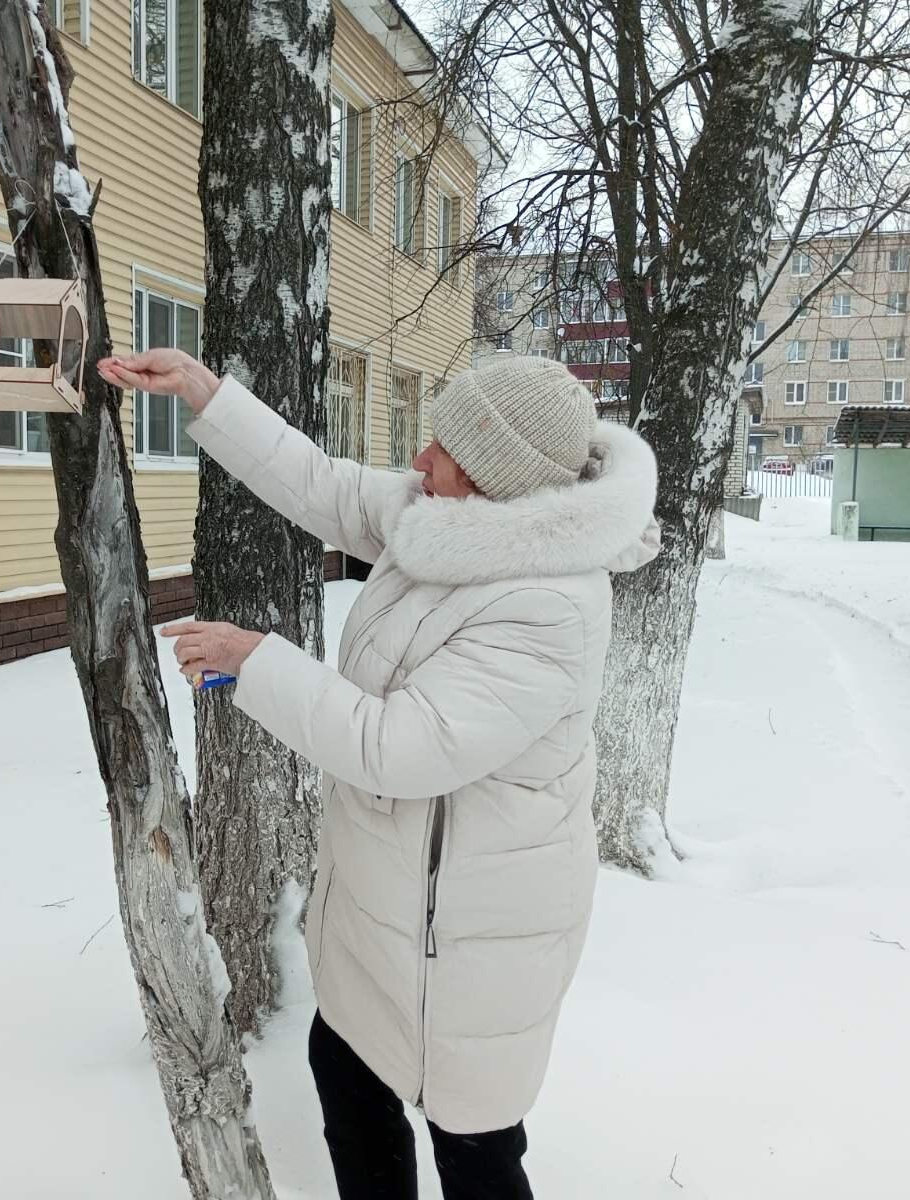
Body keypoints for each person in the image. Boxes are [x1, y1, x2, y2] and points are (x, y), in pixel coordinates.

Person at [97, 349, 661, 1200]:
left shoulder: (548, 605)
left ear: (497, 477)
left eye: (445, 448)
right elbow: (325, 486)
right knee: (346, 1073)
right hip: (389, 917)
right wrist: (204, 395)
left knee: (476, 1150)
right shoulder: (448, 518)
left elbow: (400, 750)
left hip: (467, 944)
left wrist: (257, 663)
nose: (419, 460)